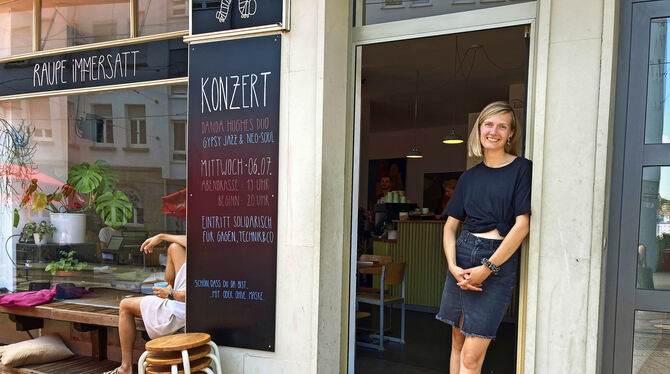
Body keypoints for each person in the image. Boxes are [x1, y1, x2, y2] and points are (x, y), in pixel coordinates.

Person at [436, 101, 531, 373]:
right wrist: (454, 267)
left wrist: (488, 268)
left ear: (512, 133)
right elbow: (449, 227)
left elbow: (522, 226)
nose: (494, 131)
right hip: (463, 259)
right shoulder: (468, 177)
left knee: (471, 357)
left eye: (502, 126)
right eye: (488, 124)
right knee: (457, 342)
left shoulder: (522, 169)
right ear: (479, 130)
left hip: (497, 261)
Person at [105, 233, 186, 374]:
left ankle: (125, 368)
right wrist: (169, 290)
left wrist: (170, 293)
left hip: (177, 313)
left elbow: (185, 293)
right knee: (174, 247)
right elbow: (169, 283)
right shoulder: (178, 249)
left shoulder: (194, 251)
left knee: (125, 305)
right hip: (180, 307)